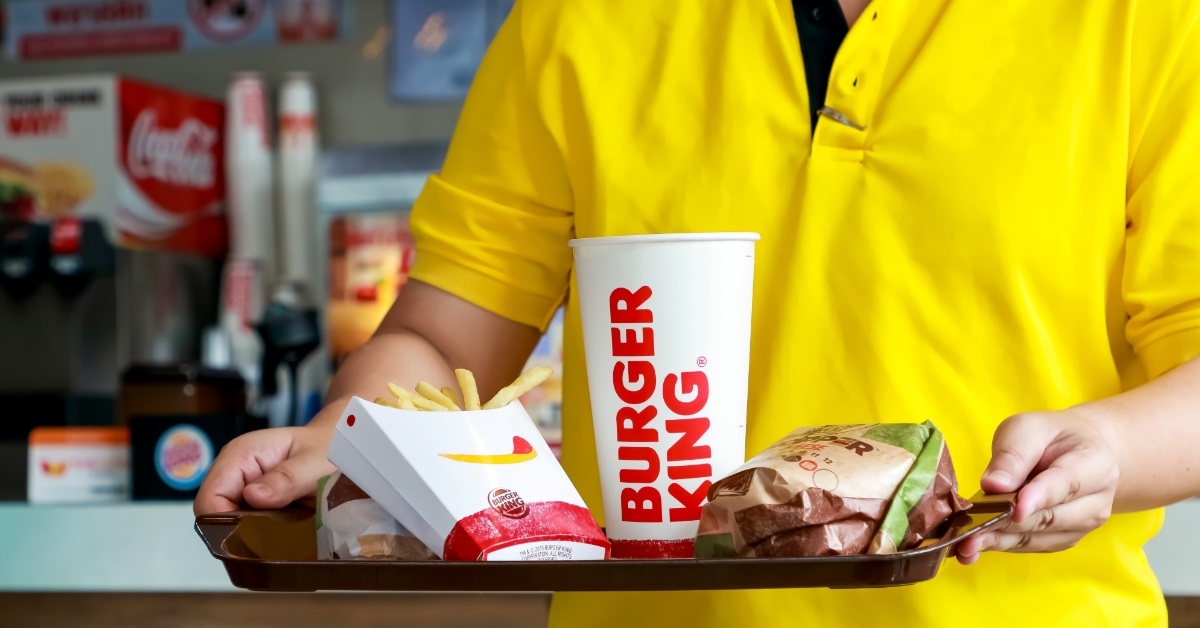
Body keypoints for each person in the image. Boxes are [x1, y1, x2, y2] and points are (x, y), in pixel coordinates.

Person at [196, 0, 1200, 625]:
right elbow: (441, 335)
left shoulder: (1152, 18)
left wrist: (1104, 447)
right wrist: (349, 436)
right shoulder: (576, 18)